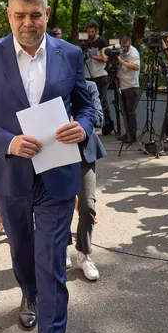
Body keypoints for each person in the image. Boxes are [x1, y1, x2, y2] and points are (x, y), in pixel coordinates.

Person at [0, 0, 95, 333]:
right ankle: (29, 293)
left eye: (35, 15)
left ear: (47, 14)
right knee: (21, 249)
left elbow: (86, 106)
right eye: (20, 15)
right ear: (9, 15)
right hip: (11, 173)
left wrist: (82, 126)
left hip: (58, 173)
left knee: (51, 261)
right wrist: (8, 142)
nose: (28, 23)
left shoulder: (69, 53)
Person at [65, 80, 106, 281]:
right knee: (58, 204)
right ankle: (63, 247)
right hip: (56, 152)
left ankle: (84, 253)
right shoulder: (50, 86)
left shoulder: (89, 87)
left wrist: (78, 124)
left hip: (84, 151)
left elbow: (99, 117)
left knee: (88, 206)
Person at [83, 19, 113, 135]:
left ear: (95, 30)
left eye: (92, 32)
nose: (90, 34)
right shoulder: (85, 41)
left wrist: (92, 56)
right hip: (87, 74)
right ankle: (91, 123)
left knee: (102, 100)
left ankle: (107, 123)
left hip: (100, 74)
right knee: (88, 100)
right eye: (88, 32)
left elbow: (105, 58)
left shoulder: (102, 41)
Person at [117, 36, 141, 143]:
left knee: (131, 112)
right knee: (124, 111)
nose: (125, 48)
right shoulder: (119, 50)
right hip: (123, 84)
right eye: (123, 46)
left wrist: (122, 62)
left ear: (130, 44)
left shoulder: (133, 52)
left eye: (127, 46)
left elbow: (136, 67)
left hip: (132, 85)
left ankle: (132, 135)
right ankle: (127, 133)